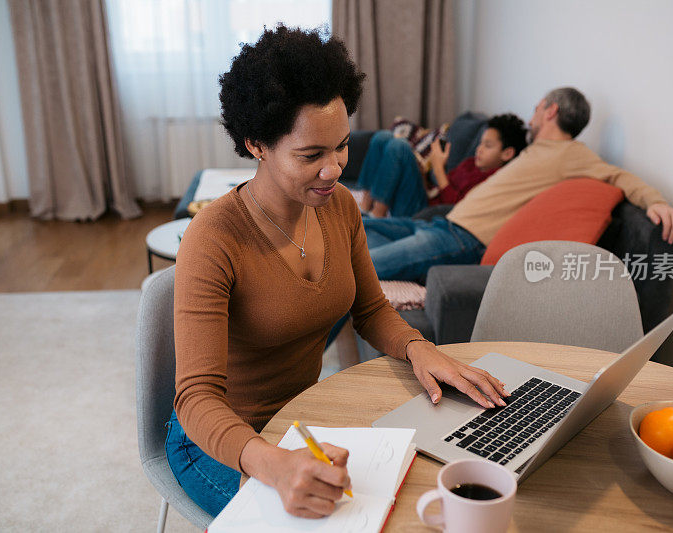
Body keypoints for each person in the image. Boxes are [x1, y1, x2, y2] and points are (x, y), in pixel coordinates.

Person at [166, 25, 509, 519]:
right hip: (221, 441)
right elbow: (196, 398)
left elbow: (369, 309)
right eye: (311, 155)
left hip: (304, 418)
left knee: (412, 495)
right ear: (257, 144)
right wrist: (273, 465)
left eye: (342, 146)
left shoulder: (338, 206)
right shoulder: (214, 238)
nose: (335, 169)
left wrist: (421, 349)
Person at [364, 87, 673, 281]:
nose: (532, 115)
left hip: (463, 240)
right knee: (359, 231)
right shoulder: (537, 151)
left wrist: (656, 202)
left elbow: (619, 176)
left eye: (536, 109)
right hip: (444, 225)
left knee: (360, 271)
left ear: (551, 110)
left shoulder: (570, 153)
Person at [357, 113, 528, 218]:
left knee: (399, 147)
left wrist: (439, 168)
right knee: (383, 137)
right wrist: (421, 172)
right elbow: (437, 189)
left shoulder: (493, 180)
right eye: (481, 143)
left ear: (507, 153)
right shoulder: (471, 163)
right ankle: (365, 205)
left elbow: (454, 208)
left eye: (488, 146)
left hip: (424, 214)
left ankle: (377, 216)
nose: (480, 149)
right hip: (424, 198)